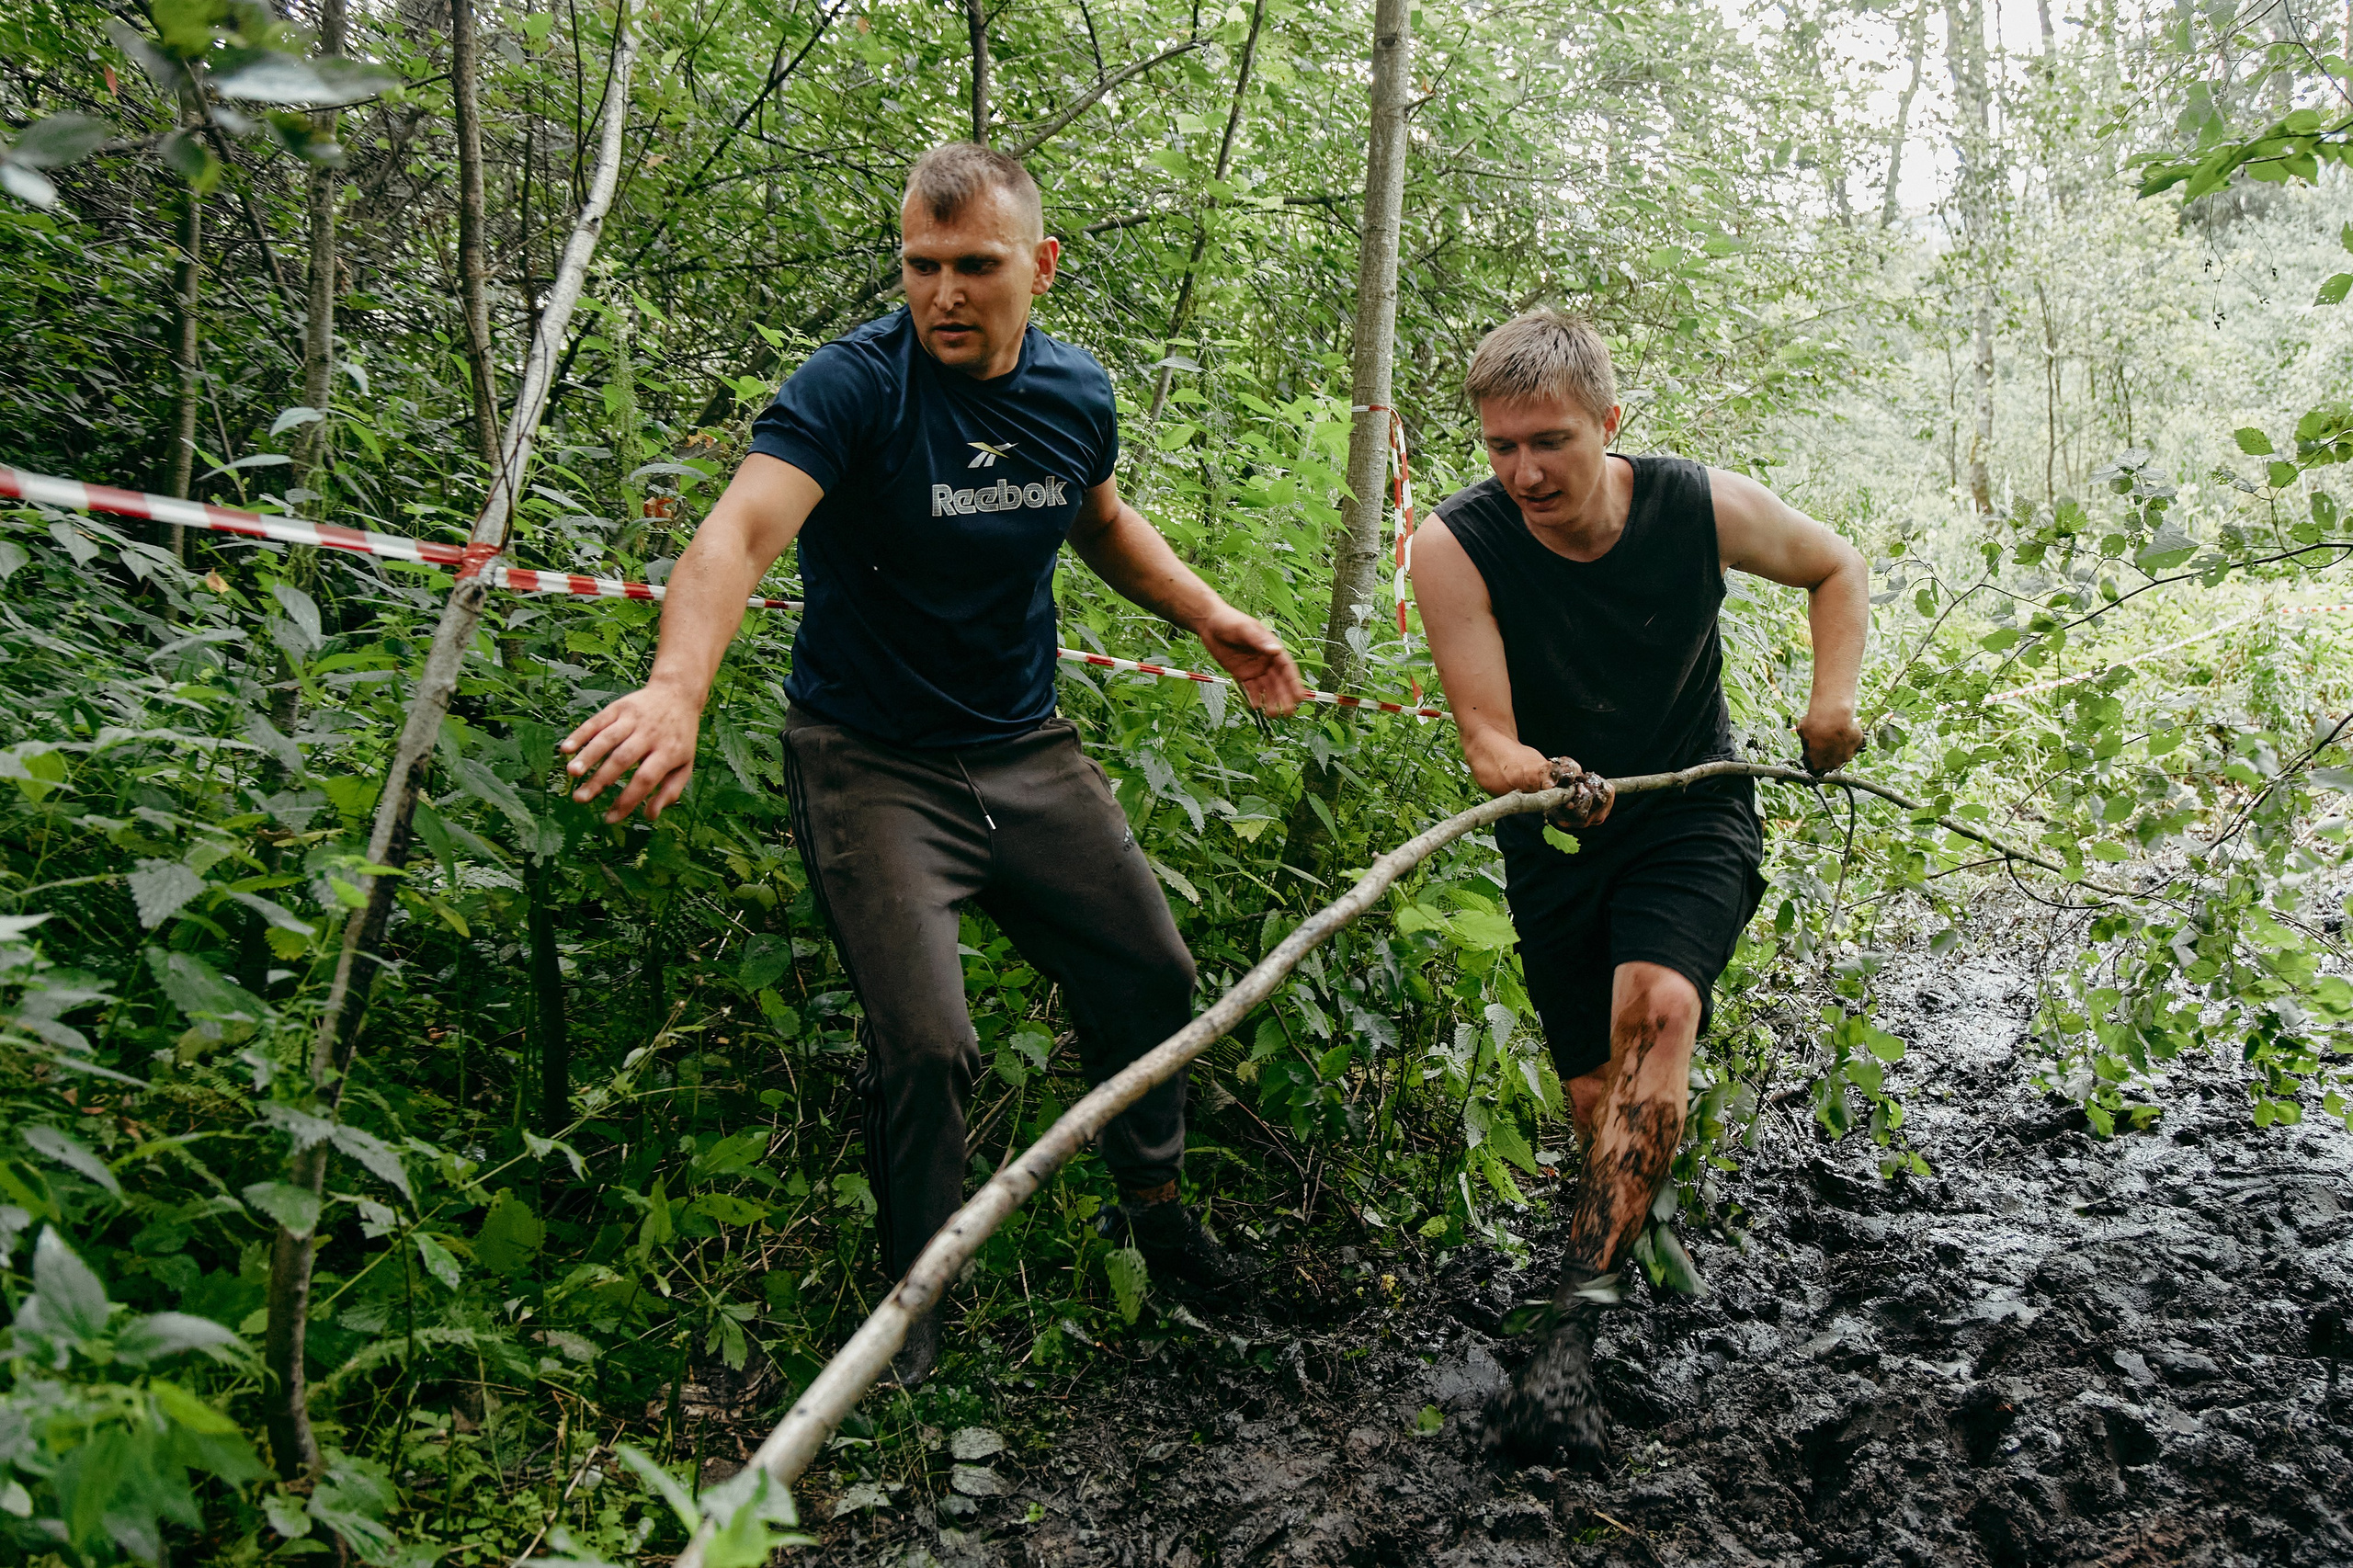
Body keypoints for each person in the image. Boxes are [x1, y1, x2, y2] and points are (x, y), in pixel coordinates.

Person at [559, 142, 1309, 1387]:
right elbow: (738, 531)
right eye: (922, 265)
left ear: (1042, 267)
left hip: (1022, 746)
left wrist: (1207, 615)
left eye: (975, 266)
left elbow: (1101, 519)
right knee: (929, 1042)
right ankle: (908, 1324)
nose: (944, 293)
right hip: (871, 761)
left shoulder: (1074, 393)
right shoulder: (856, 387)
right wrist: (678, 688)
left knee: (1150, 966)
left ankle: (1158, 1213)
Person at [1409, 310, 1867, 1465]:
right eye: (1500, 446)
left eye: (1549, 442)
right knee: (1595, 1106)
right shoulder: (1454, 544)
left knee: (1657, 1008)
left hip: (1689, 807)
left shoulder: (1696, 506)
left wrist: (1830, 703)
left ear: (1609, 425)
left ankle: (1572, 1337)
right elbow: (1487, 744)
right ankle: (1626, 1226)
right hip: (1556, 837)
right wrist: (1546, 776)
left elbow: (1833, 566)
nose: (1522, 472)